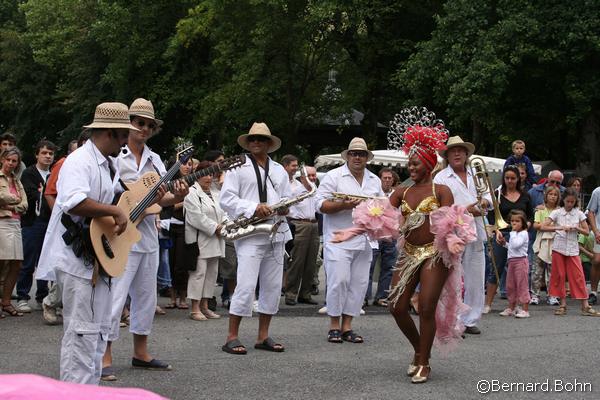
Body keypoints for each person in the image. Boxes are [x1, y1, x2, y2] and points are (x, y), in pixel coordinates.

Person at [33, 102, 133, 384]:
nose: (126, 142)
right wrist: (113, 212)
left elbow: (119, 199)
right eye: (123, 135)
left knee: (98, 332)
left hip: (96, 259)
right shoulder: (80, 161)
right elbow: (74, 202)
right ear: (111, 132)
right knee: (81, 334)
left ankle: (90, 390)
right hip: (77, 261)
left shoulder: (106, 163)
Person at [102, 98, 188, 380]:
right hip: (120, 232)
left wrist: (180, 195)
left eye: (149, 125)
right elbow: (107, 192)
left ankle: (141, 353)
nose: (144, 128)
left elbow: (164, 199)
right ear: (129, 123)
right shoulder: (116, 155)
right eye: (139, 123)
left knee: (145, 297)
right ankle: (105, 355)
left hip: (148, 235)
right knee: (115, 297)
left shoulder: (156, 160)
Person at [386, 107, 470, 384]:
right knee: (396, 306)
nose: (411, 167)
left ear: (429, 163)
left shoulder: (441, 191)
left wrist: (454, 240)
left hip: (435, 253)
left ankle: (424, 361)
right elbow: (379, 216)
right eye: (409, 163)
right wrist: (352, 229)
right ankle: (419, 349)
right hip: (408, 253)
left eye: (416, 163)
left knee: (425, 307)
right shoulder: (402, 191)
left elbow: (451, 222)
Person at [220, 122, 291, 355]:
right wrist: (254, 207)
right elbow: (226, 200)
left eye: (261, 139)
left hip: (276, 231)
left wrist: (285, 208)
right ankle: (232, 336)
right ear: (247, 142)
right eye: (252, 139)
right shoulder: (237, 167)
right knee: (246, 284)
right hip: (251, 232)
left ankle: (263, 336)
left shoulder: (280, 170)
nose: (256, 142)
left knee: (271, 287)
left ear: (269, 143)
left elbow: (287, 198)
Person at [433, 136, 491, 334]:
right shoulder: (440, 178)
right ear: (447, 155)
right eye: (453, 150)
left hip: (476, 230)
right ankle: (451, 321)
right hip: (453, 234)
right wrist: (467, 211)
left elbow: (490, 197)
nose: (457, 153)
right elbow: (441, 208)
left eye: (460, 150)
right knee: (452, 279)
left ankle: (470, 320)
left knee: (476, 277)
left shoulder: (477, 173)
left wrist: (485, 204)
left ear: (466, 154)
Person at [41, 132, 90, 325]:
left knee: (78, 266)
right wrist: (63, 218)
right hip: (68, 223)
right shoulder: (66, 163)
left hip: (86, 224)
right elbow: (50, 193)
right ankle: (50, 302)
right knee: (66, 265)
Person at [541, 188, 600, 316]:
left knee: (578, 276)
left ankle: (585, 305)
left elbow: (585, 230)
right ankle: (562, 304)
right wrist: (559, 227)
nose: (569, 204)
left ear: (575, 202)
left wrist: (576, 227)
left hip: (573, 249)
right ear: (564, 200)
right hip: (559, 247)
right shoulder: (557, 212)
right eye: (568, 201)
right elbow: (543, 226)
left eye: (572, 202)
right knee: (560, 275)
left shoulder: (578, 213)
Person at [484, 165, 534, 313]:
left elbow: (530, 215)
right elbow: (491, 215)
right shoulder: (497, 194)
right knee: (496, 269)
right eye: (507, 178)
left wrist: (526, 226)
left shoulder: (526, 196)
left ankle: (518, 305)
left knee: (520, 272)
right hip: (502, 234)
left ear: (518, 179)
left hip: (520, 235)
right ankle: (488, 304)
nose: (510, 181)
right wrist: (496, 230)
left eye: (513, 178)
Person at [15, 139, 57, 313]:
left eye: (50, 153)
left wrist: (44, 192)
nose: (47, 156)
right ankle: (23, 296)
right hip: (33, 222)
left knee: (46, 261)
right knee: (29, 260)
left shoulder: (54, 173)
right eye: (44, 153)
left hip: (50, 221)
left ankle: (42, 296)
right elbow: (31, 194)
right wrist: (45, 194)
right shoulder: (29, 173)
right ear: (37, 154)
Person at [184, 160, 226, 320]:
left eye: (211, 174)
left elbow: (225, 211)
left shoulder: (216, 192)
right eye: (205, 173)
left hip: (217, 238)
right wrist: (216, 227)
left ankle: (205, 306)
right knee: (198, 273)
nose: (209, 177)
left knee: (212, 274)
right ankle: (194, 308)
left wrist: (225, 225)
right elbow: (196, 217)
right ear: (198, 174)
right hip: (200, 239)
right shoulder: (191, 192)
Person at [283, 155, 319, 306]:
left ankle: (305, 294)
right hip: (300, 224)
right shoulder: (295, 189)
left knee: (311, 262)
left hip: (313, 224)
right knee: (297, 261)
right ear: (302, 176)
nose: (311, 178)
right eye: (308, 175)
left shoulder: (316, 189)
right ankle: (291, 294)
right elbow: (287, 209)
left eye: (313, 175)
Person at [365, 167, 398, 308]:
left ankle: (381, 297)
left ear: (393, 180)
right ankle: (365, 297)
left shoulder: (397, 194)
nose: (387, 180)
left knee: (389, 266)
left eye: (390, 178)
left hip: (391, 234)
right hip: (375, 233)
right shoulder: (373, 192)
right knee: (368, 266)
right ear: (380, 179)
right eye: (384, 178)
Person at [0, 147, 28, 317]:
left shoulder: (17, 181)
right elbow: (1, 196)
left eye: (14, 161)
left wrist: (11, 204)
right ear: (2, 159)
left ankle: (6, 302)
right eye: (8, 159)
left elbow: (25, 205)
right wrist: (15, 201)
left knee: (16, 264)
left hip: (16, 223)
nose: (11, 163)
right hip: (2, 222)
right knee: (1, 263)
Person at [165, 157, 194, 310]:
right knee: (170, 262)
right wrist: (183, 200)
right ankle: (172, 297)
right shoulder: (171, 183)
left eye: (190, 164)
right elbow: (170, 205)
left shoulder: (193, 183)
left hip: (186, 226)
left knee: (182, 263)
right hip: (170, 225)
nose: (187, 167)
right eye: (184, 163)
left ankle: (183, 297)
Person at [497, 210, 530, 318]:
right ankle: (511, 307)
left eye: (517, 221)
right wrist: (504, 244)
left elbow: (516, 245)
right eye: (512, 221)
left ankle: (525, 309)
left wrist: (512, 232)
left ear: (523, 222)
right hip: (512, 262)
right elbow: (512, 247)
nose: (514, 223)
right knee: (510, 285)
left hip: (521, 262)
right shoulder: (515, 234)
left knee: (522, 285)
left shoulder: (523, 233)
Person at [530, 186, 560, 305]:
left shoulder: (559, 211)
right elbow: (536, 225)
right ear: (546, 195)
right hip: (541, 241)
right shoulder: (540, 210)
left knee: (552, 271)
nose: (552, 196)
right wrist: (550, 226)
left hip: (555, 242)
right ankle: (535, 294)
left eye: (555, 195)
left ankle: (552, 294)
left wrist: (545, 226)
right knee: (537, 270)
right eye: (550, 194)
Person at [586, 185, 600, 305]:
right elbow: (591, 212)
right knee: (597, 261)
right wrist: (595, 231)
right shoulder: (597, 191)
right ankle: (593, 292)